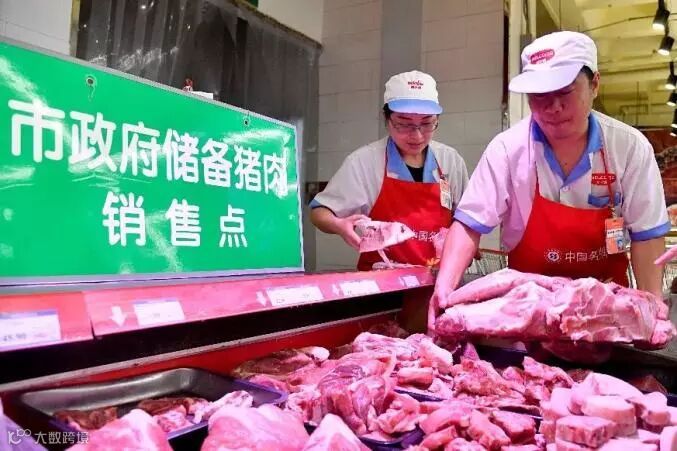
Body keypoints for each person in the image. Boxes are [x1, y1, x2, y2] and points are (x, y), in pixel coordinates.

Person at [431, 31, 670, 353]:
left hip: (603, 317)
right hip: (528, 316)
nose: (553, 107)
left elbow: (647, 233)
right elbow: (470, 224)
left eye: (565, 92)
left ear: (595, 85)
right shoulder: (508, 149)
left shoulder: (628, 147)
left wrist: (650, 309)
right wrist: (444, 290)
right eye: (539, 96)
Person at [310, 70, 468, 271]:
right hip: (380, 281)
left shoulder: (450, 160)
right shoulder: (364, 162)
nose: (417, 135)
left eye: (427, 123)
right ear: (387, 119)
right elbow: (319, 212)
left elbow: (466, 219)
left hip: (437, 278)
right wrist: (338, 225)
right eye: (404, 124)